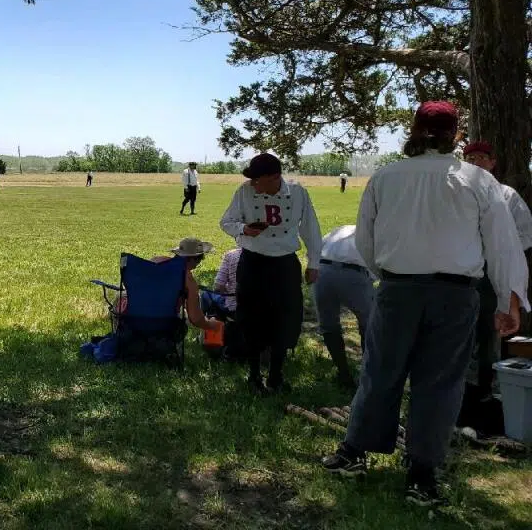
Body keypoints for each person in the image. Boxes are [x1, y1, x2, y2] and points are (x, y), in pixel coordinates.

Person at [321, 101, 524, 507]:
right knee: (439, 383)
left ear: (414, 130)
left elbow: (366, 239)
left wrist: (389, 277)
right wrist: (508, 299)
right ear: (456, 135)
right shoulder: (478, 181)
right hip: (455, 294)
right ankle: (422, 473)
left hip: (399, 288)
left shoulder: (387, 176)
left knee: (381, 371)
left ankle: (354, 452)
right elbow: (502, 246)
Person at [220, 153, 322, 394]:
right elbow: (226, 222)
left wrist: (314, 262)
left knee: (284, 319)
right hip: (253, 263)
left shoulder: (298, 193)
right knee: (251, 318)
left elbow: (310, 228)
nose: (253, 183)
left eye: (258, 179)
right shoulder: (244, 191)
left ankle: (276, 375)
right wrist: (244, 229)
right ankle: (253, 375)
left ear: (275, 176)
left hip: (284, 265)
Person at [461, 140, 532, 417]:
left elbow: (526, 234)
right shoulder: (457, 193)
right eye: (471, 157)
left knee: (488, 332)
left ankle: (484, 391)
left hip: (491, 274)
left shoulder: (507, 195)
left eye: (482, 157)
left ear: (492, 163)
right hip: (461, 272)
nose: (476, 162)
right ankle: (459, 390)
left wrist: (499, 248)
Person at [314, 225, 375, 389]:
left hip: (322, 271)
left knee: (329, 325)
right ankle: (368, 375)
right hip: (354, 274)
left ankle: (343, 373)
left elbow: (316, 247)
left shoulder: (340, 230)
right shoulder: (373, 235)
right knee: (370, 324)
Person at [151, 237, 223, 331]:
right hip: (163, 325)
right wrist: (210, 325)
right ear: (193, 259)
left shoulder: (156, 261)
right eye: (200, 258)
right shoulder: (188, 280)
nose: (199, 263)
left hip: (132, 318)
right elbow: (196, 319)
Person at [200, 247, 241, 318]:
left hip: (234, 308)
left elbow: (218, 286)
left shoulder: (232, 255)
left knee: (206, 295)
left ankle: (208, 322)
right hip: (263, 308)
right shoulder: (266, 256)